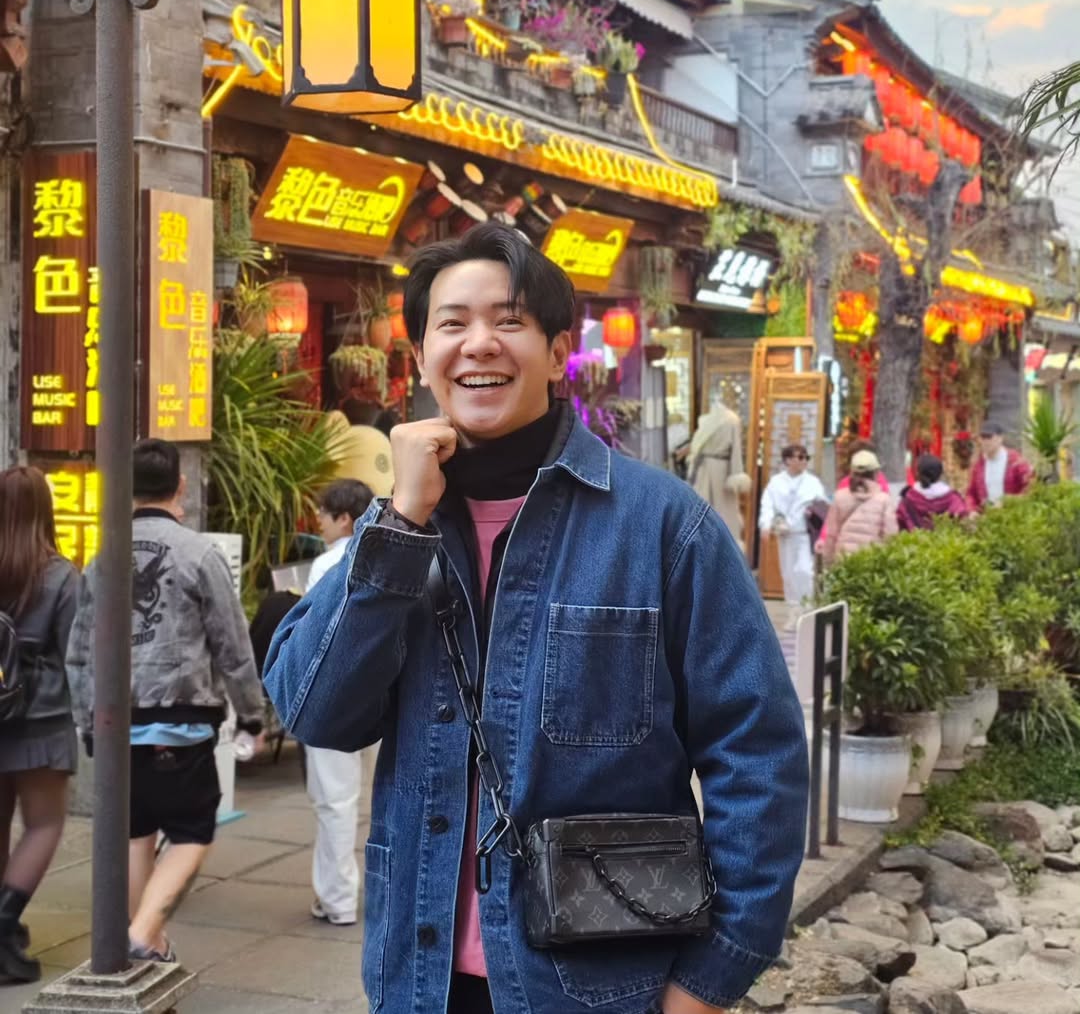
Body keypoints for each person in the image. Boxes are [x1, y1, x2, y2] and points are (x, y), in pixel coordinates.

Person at [265, 222, 808, 1014]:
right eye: (452, 323)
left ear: (558, 354)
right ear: (421, 355)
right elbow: (315, 710)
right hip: (419, 983)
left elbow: (757, 753)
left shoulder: (662, 525)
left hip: (601, 988)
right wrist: (402, 521)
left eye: (508, 320)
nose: (478, 344)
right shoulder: (400, 528)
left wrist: (710, 979)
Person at [66, 439, 265, 964]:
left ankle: (143, 945)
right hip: (181, 723)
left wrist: (87, 722)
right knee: (192, 831)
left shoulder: (102, 558)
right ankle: (144, 931)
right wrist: (251, 714)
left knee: (136, 832)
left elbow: (80, 652)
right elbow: (232, 644)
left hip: (117, 726)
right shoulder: (199, 554)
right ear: (180, 486)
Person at [0, 467, 79, 984]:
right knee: (44, 824)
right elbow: (77, 654)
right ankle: (4, 922)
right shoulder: (60, 576)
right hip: (41, 716)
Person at [303, 478, 373, 928]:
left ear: (344, 518)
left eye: (324, 516)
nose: (320, 523)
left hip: (335, 695)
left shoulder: (327, 563)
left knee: (335, 801)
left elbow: (313, 629)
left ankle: (338, 898)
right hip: (386, 690)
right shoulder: (389, 551)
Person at [759, 444, 827, 617]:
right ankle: (793, 610)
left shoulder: (812, 482)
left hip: (804, 534)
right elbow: (767, 504)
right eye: (800, 457)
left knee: (804, 571)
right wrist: (766, 524)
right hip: (784, 534)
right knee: (788, 574)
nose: (804, 461)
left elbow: (823, 506)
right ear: (788, 460)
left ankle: (807, 609)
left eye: (806, 457)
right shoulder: (776, 482)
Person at [685, 398, 751, 545]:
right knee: (704, 509)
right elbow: (736, 450)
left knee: (723, 511)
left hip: (719, 472)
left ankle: (721, 547)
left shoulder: (730, 420)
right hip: (707, 470)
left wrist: (735, 473)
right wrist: (736, 472)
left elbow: (735, 450)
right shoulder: (711, 420)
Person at [820, 465, 897, 564]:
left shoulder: (839, 496)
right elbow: (890, 534)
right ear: (874, 474)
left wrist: (827, 560)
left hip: (843, 560)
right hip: (871, 560)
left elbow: (831, 534)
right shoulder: (884, 499)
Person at [966, 421, 1033, 513]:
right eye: (983, 437)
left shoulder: (1015, 461)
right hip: (989, 517)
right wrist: (971, 510)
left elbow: (1031, 487)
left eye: (989, 437)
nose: (985, 441)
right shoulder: (979, 465)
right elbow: (971, 493)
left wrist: (1011, 501)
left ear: (1000, 438)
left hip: (1014, 515)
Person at [897, 454, 968, 532]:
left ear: (917, 473)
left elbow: (901, 521)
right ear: (940, 474)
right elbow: (963, 519)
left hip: (914, 539)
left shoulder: (908, 498)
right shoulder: (953, 499)